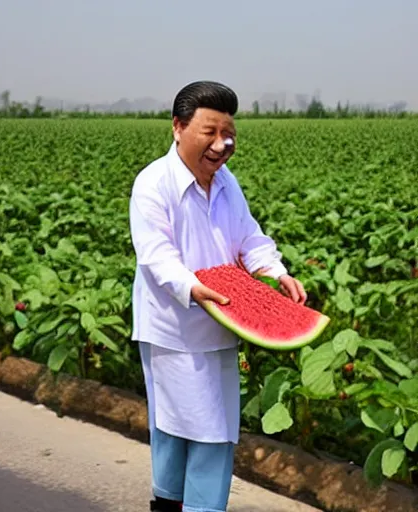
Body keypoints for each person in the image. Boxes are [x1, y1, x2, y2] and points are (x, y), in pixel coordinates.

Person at [128, 80, 307, 512]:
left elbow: (248, 235)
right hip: (174, 327)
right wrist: (193, 287)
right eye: (209, 132)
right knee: (187, 430)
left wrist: (273, 271)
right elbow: (157, 256)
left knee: (206, 429)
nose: (222, 144)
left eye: (229, 134)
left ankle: (178, 504)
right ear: (178, 127)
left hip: (221, 323)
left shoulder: (226, 182)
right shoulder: (153, 184)